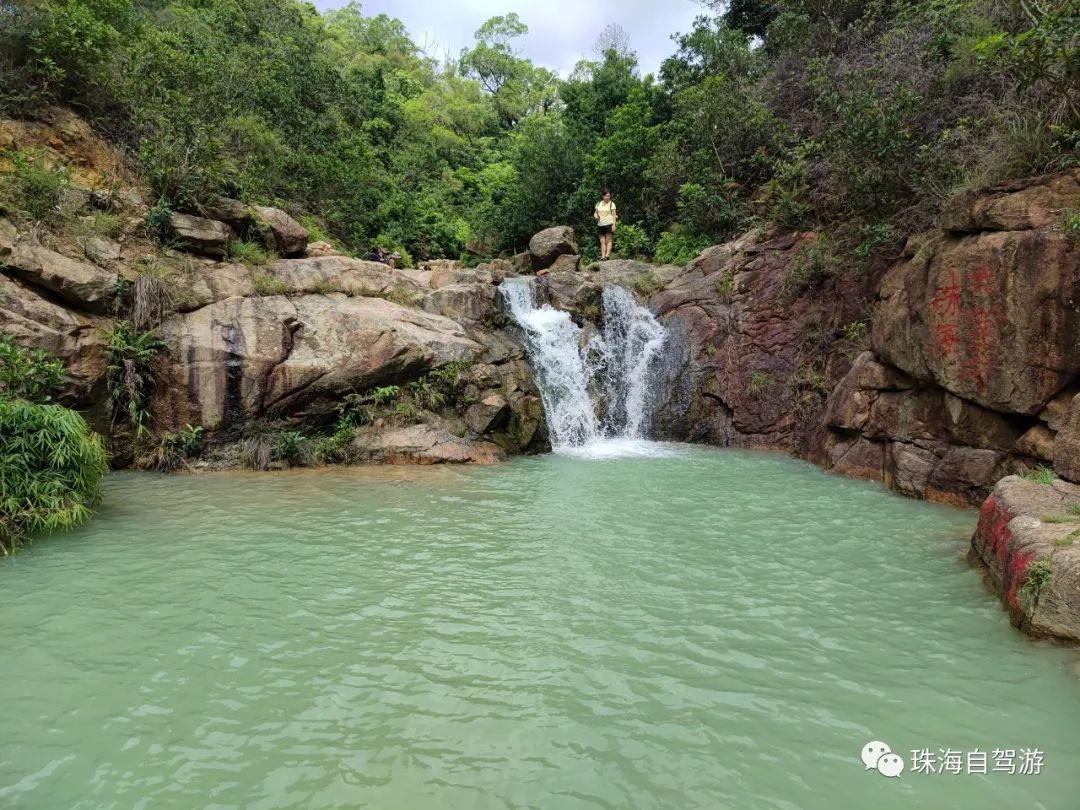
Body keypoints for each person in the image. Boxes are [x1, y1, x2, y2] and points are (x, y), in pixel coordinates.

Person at [593, 189, 617, 260]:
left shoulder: (612, 204)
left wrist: (614, 225)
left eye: (609, 196)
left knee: (608, 240)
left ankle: (607, 255)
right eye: (606, 196)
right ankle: (603, 256)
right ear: (603, 196)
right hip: (600, 224)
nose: (607, 197)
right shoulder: (598, 204)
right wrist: (595, 215)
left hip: (609, 223)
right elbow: (595, 212)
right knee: (602, 241)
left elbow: (614, 215)